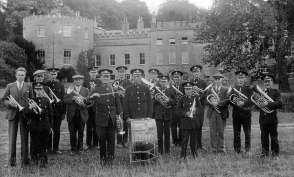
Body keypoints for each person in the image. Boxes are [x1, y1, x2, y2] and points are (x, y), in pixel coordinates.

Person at [2, 67, 34, 167]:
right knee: (12, 138)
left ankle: (25, 160)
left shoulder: (29, 86)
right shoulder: (10, 86)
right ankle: (11, 161)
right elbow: (3, 99)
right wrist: (9, 103)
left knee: (24, 137)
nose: (20, 77)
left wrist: (30, 108)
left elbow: (32, 99)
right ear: (16, 75)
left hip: (24, 114)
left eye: (22, 75)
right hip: (13, 114)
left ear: (25, 76)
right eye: (19, 75)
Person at [89, 69, 122, 165]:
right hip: (100, 120)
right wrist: (91, 97)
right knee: (102, 141)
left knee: (111, 141)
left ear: (110, 78)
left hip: (112, 119)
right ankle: (103, 160)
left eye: (107, 77)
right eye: (104, 76)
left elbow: (118, 105)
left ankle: (111, 159)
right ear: (100, 78)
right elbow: (86, 101)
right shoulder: (95, 89)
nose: (106, 78)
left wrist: (119, 116)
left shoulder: (114, 89)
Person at [256, 74, 283, 158]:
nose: (267, 83)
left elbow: (279, 103)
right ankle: (265, 153)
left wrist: (268, 103)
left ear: (272, 82)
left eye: (269, 81)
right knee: (264, 137)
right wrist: (259, 104)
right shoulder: (261, 92)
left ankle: (275, 154)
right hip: (263, 118)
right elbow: (257, 106)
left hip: (272, 118)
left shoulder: (276, 92)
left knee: (273, 137)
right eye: (265, 81)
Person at [28, 82, 52, 168]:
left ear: (43, 90)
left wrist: (50, 127)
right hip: (35, 126)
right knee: (34, 144)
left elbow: (50, 115)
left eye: (40, 89)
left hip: (44, 126)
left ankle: (43, 161)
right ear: (34, 90)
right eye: (37, 89)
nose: (38, 91)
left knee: (43, 144)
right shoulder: (31, 100)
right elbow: (26, 115)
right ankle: (34, 161)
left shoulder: (46, 100)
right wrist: (31, 109)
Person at [64, 75, 90, 155]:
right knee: (72, 132)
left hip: (82, 114)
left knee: (81, 132)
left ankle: (80, 148)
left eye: (79, 80)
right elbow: (64, 100)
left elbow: (89, 102)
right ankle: (73, 149)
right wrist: (72, 99)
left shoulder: (85, 90)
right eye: (76, 80)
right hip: (72, 114)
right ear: (74, 81)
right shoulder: (69, 90)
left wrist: (84, 102)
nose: (78, 81)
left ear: (82, 81)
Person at [177, 82, 202, 159]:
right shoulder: (182, 99)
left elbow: (201, 109)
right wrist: (185, 113)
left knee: (193, 141)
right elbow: (177, 110)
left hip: (194, 123)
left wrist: (195, 110)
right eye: (186, 89)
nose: (188, 91)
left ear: (192, 90)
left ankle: (194, 154)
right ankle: (182, 156)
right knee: (184, 140)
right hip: (185, 123)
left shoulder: (196, 98)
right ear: (184, 90)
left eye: (189, 89)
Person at [230, 70, 253, 154]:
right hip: (236, 114)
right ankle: (237, 150)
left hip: (246, 114)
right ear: (236, 78)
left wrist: (244, 103)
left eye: (242, 77)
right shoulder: (234, 89)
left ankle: (248, 150)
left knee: (247, 133)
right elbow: (230, 100)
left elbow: (252, 101)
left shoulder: (248, 89)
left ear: (245, 78)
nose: (240, 79)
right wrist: (234, 101)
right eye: (239, 78)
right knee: (236, 133)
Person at [206, 73, 230, 153]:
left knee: (221, 130)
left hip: (221, 112)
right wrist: (212, 103)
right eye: (216, 79)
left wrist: (218, 103)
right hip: (212, 111)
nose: (217, 81)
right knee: (212, 130)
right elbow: (206, 100)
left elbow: (227, 100)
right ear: (214, 80)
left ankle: (222, 147)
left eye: (219, 79)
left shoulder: (226, 89)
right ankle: (214, 148)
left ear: (222, 80)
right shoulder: (210, 89)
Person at [46, 68, 66, 154]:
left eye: (54, 74)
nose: (53, 76)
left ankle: (56, 148)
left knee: (57, 130)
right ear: (49, 74)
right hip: (49, 111)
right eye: (51, 74)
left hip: (58, 111)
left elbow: (63, 99)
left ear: (56, 75)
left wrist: (64, 112)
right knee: (49, 129)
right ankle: (49, 148)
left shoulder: (60, 85)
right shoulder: (46, 85)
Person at [154, 75, 176, 154]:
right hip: (159, 115)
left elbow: (175, 102)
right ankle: (160, 150)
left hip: (167, 114)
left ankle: (167, 150)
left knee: (167, 133)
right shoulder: (156, 90)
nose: (163, 83)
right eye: (162, 82)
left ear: (167, 82)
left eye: (165, 82)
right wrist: (158, 99)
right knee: (159, 133)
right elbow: (153, 102)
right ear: (160, 82)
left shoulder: (170, 91)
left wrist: (169, 100)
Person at [190, 65, 208, 150]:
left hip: (200, 106)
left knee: (199, 125)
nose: (196, 73)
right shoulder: (190, 82)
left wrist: (199, 96)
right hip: (191, 107)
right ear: (192, 73)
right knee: (192, 125)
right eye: (194, 72)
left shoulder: (203, 82)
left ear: (200, 73)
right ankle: (193, 144)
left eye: (197, 72)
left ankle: (199, 144)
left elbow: (206, 93)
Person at [83, 66, 101, 150]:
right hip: (88, 107)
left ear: (97, 73)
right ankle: (88, 143)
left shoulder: (99, 81)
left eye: (95, 72)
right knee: (89, 126)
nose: (93, 74)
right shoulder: (85, 82)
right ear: (89, 73)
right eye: (91, 72)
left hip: (97, 106)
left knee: (96, 126)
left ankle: (96, 143)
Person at [113, 66, 132, 148]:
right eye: (120, 72)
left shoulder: (129, 83)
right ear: (118, 73)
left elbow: (131, 95)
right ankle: (119, 141)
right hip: (118, 105)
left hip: (126, 106)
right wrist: (118, 93)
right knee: (119, 123)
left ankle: (125, 141)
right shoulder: (115, 82)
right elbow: (113, 94)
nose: (121, 73)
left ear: (125, 73)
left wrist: (124, 94)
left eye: (123, 72)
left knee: (125, 124)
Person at [170, 71, 185, 146]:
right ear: (173, 78)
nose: (176, 78)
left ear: (180, 78)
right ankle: (174, 141)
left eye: (178, 77)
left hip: (181, 109)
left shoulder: (183, 86)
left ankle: (181, 141)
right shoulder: (170, 87)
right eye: (175, 77)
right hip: (172, 109)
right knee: (173, 126)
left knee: (181, 125)